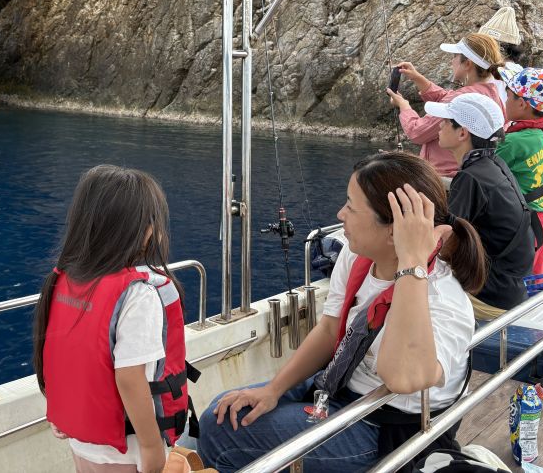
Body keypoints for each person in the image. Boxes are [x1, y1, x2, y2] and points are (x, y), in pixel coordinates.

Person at [197, 151, 487, 473]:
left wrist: (412, 265)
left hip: (386, 428)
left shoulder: (443, 300)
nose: (340, 214)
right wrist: (273, 389)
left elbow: (402, 377)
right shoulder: (357, 256)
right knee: (222, 410)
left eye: (350, 206)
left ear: (394, 230)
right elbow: (330, 328)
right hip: (339, 386)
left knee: (220, 434)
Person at [33, 165, 196, 473]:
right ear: (145, 230)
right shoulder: (138, 295)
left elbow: (62, 356)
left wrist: (63, 410)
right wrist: (150, 447)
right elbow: (130, 378)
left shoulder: (63, 281)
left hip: (81, 440)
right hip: (128, 447)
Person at [424, 94, 534, 320]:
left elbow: (440, 238)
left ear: (462, 133)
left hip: (491, 296)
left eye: (445, 121)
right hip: (510, 288)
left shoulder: (471, 178)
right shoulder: (493, 164)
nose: (440, 125)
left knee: (408, 292)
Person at [388, 33, 506, 179]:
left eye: (454, 56)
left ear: (467, 63)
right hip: (468, 174)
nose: (452, 61)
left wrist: (404, 106)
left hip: (444, 180)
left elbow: (417, 132)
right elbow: (448, 99)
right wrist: (418, 79)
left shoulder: (460, 97)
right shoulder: (492, 94)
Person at [495, 67, 543, 275]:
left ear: (522, 103)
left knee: (514, 280)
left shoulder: (513, 141)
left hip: (520, 223)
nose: (505, 101)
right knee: (535, 275)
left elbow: (483, 172)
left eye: (507, 96)